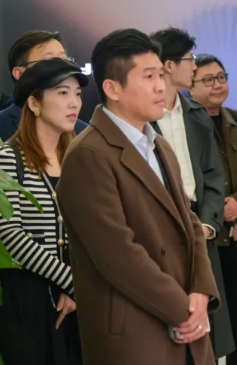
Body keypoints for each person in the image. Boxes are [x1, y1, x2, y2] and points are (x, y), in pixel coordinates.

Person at [56, 29, 220, 365]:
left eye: (160, 74)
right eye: (148, 77)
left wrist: (202, 291)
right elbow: (118, 255)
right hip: (135, 332)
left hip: (186, 325)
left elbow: (190, 223)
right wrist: (183, 308)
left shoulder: (159, 145)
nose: (161, 86)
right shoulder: (88, 154)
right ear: (112, 88)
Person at [149, 28, 235, 361]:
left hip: (200, 224)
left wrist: (210, 225)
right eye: (189, 59)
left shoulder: (196, 114)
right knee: (169, 320)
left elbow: (213, 175)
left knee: (207, 323)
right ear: (169, 65)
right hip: (162, 224)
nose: (194, 66)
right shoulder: (145, 116)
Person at [0, 58, 87, 365]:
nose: (74, 103)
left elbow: (90, 229)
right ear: (34, 103)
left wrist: (76, 290)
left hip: (78, 300)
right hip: (28, 299)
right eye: (63, 93)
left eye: (77, 94)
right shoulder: (8, 157)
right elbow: (11, 234)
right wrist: (72, 281)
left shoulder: (80, 158)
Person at [189, 54, 237, 365]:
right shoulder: (187, 125)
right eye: (208, 79)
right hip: (206, 242)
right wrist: (221, 212)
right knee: (208, 322)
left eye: (221, 77)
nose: (218, 85)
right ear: (190, 86)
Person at [0, 31, 89, 140]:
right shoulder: (3, 126)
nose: (60, 68)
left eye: (63, 60)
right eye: (49, 62)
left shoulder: (85, 135)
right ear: (19, 74)